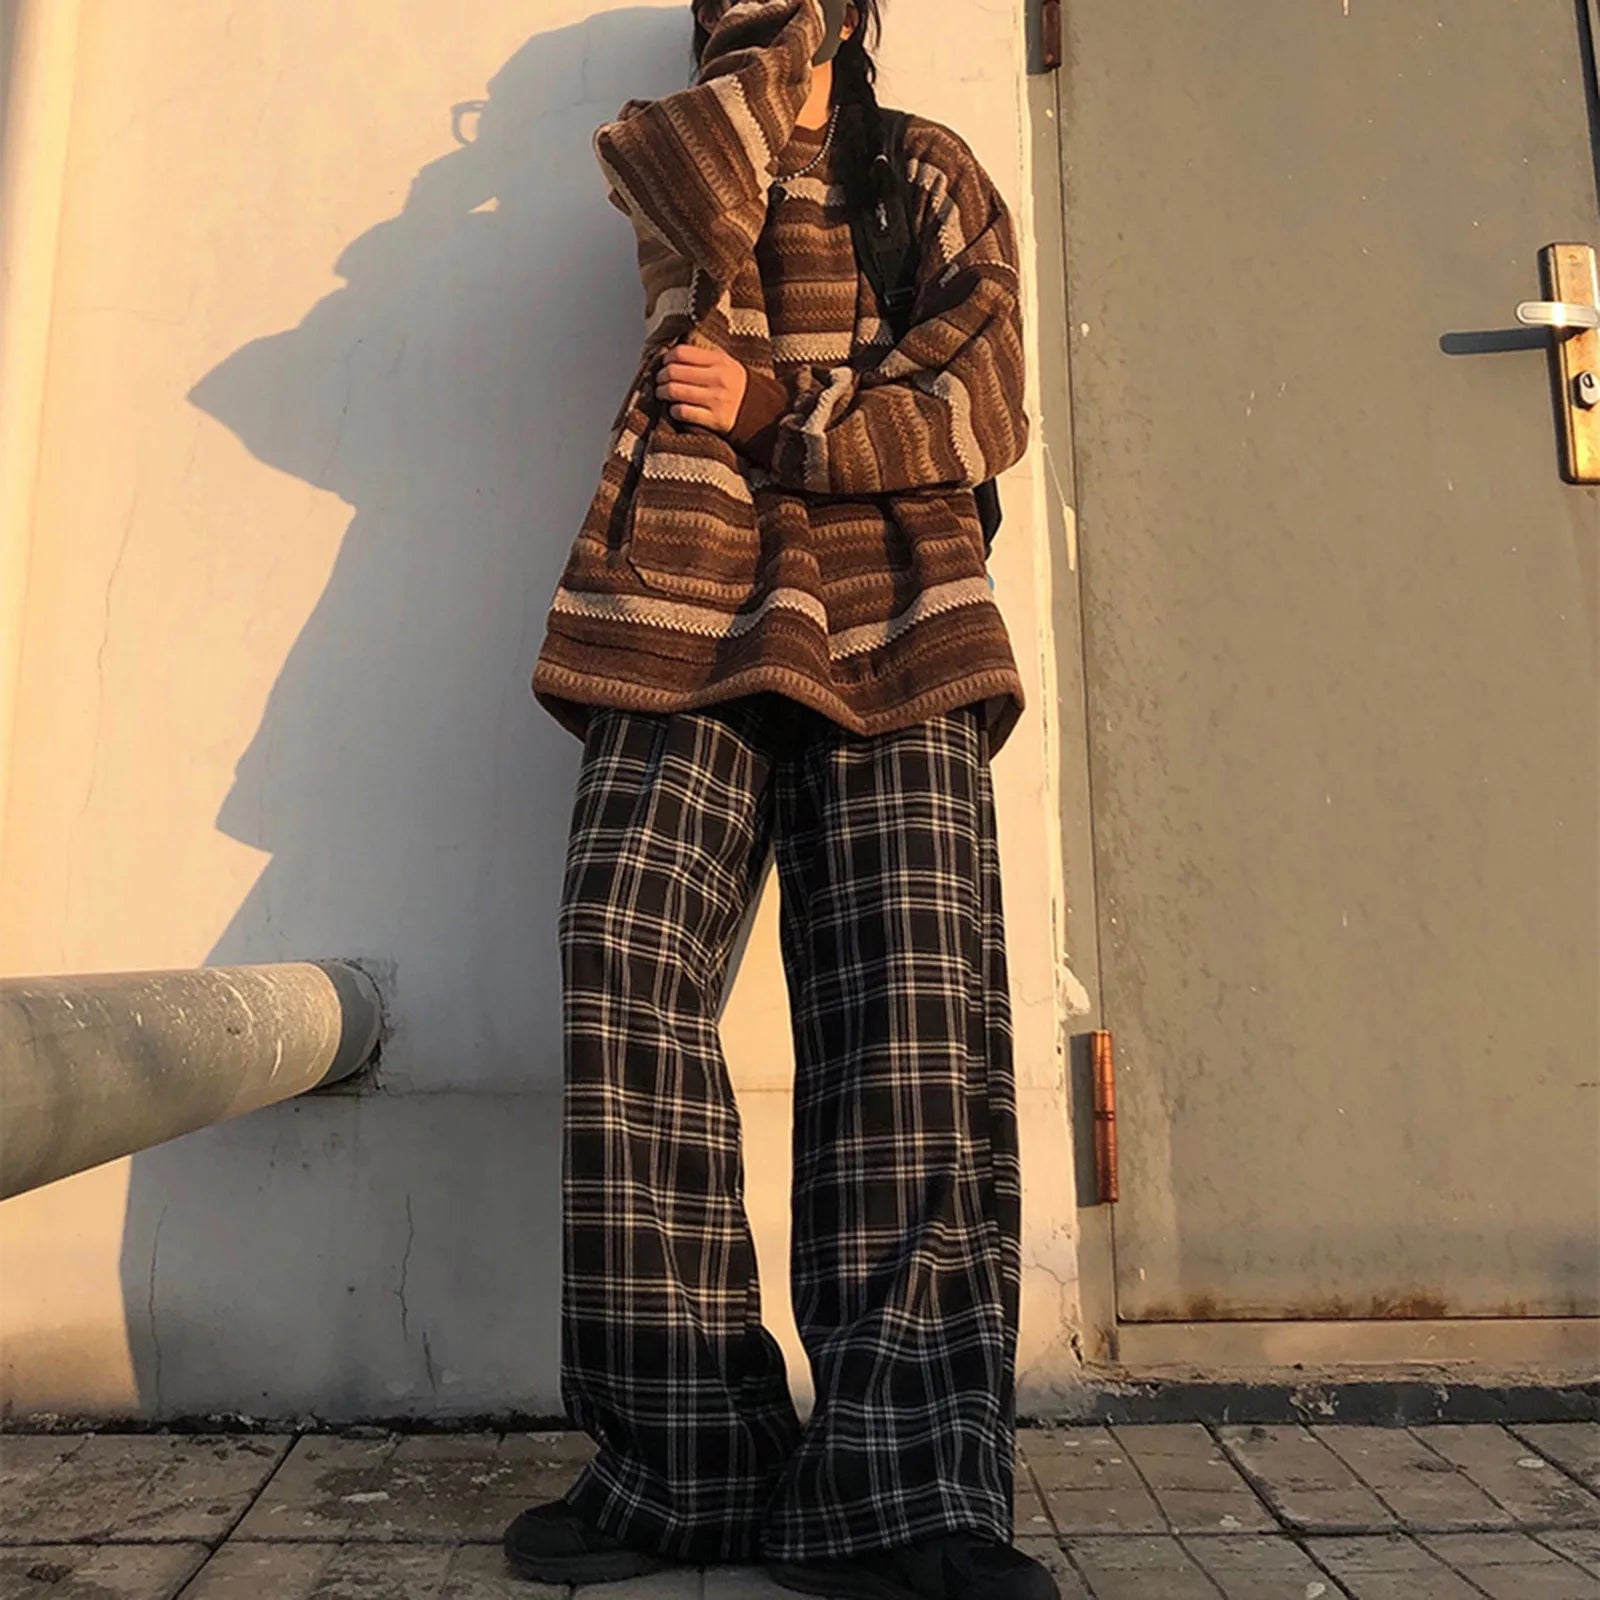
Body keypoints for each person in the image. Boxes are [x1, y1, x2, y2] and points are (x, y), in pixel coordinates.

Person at [507, 2, 1053, 1596]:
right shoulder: (687, 152)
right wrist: (767, 57)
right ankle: (683, 1459)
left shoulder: (928, 170)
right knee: (622, 951)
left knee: (912, 1017)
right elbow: (697, 189)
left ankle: (904, 1492)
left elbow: (984, 399)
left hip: (897, 611)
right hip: (686, 598)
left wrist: (776, 411)